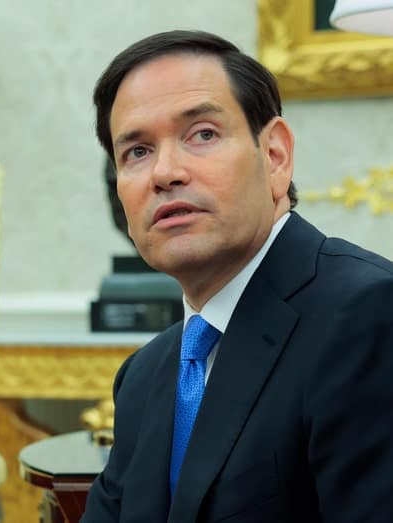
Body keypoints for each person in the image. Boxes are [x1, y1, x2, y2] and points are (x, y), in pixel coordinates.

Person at [82, 30, 393, 522]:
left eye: (202, 134)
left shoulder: (368, 316)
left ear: (275, 156)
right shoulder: (144, 375)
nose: (164, 172)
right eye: (137, 152)